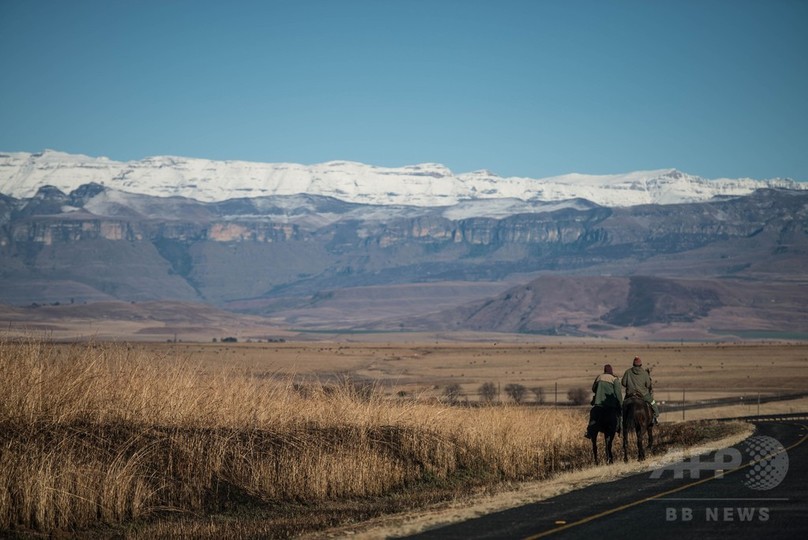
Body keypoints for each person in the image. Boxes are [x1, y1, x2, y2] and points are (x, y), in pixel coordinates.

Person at [584, 364, 623, 439]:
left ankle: (589, 432)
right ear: (611, 371)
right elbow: (618, 393)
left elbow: (593, 389)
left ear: (604, 370)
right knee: (619, 415)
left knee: (593, 415)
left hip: (599, 404)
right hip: (611, 404)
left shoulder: (599, 377)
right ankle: (620, 429)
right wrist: (620, 404)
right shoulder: (614, 379)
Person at [622, 356, 659, 425]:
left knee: (623, 405)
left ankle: (621, 420)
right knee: (653, 403)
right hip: (643, 394)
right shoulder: (645, 373)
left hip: (630, 394)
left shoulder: (628, 372)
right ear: (640, 364)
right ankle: (655, 417)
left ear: (633, 364)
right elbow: (648, 385)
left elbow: (623, 383)